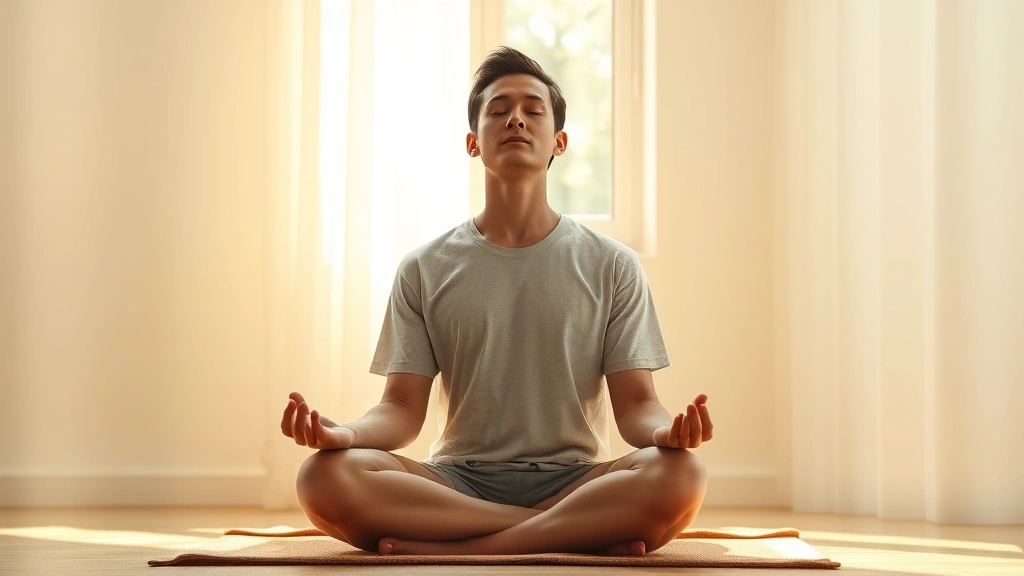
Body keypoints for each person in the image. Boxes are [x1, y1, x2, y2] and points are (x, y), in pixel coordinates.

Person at [280, 46, 712, 557]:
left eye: (533, 109)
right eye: (498, 108)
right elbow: (400, 409)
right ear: (472, 143)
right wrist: (345, 435)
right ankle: (564, 532)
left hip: (579, 480)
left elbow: (637, 405)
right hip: (456, 482)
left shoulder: (613, 264)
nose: (515, 119)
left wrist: (667, 433)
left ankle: (466, 547)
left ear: (559, 141)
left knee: (681, 474)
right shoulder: (424, 267)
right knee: (324, 477)